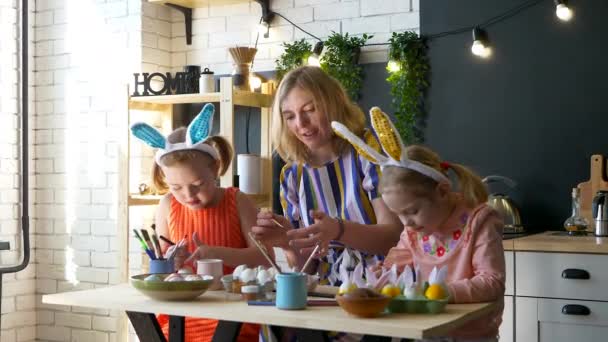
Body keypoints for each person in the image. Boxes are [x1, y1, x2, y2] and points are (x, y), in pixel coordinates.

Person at [334, 107, 506, 342]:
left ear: (442, 191)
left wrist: (440, 292)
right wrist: (382, 276)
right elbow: (398, 265)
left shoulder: (479, 221)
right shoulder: (414, 229)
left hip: (472, 336)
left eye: (412, 211)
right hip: (427, 332)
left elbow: (491, 282)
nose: (406, 223)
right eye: (398, 214)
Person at [253, 65, 403, 287]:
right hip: (326, 292)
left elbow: (394, 237)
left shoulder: (367, 151)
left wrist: (339, 230)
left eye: (310, 110)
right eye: (290, 116)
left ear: (333, 105)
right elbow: (308, 266)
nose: (300, 124)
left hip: (382, 286)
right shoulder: (292, 176)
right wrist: (286, 242)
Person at [131, 103, 265, 342]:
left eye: (197, 185)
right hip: (180, 315)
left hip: (234, 315)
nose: (188, 195)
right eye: (176, 188)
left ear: (214, 168)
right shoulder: (167, 205)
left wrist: (215, 253)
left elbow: (263, 257)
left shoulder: (237, 201)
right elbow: (161, 268)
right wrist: (172, 259)